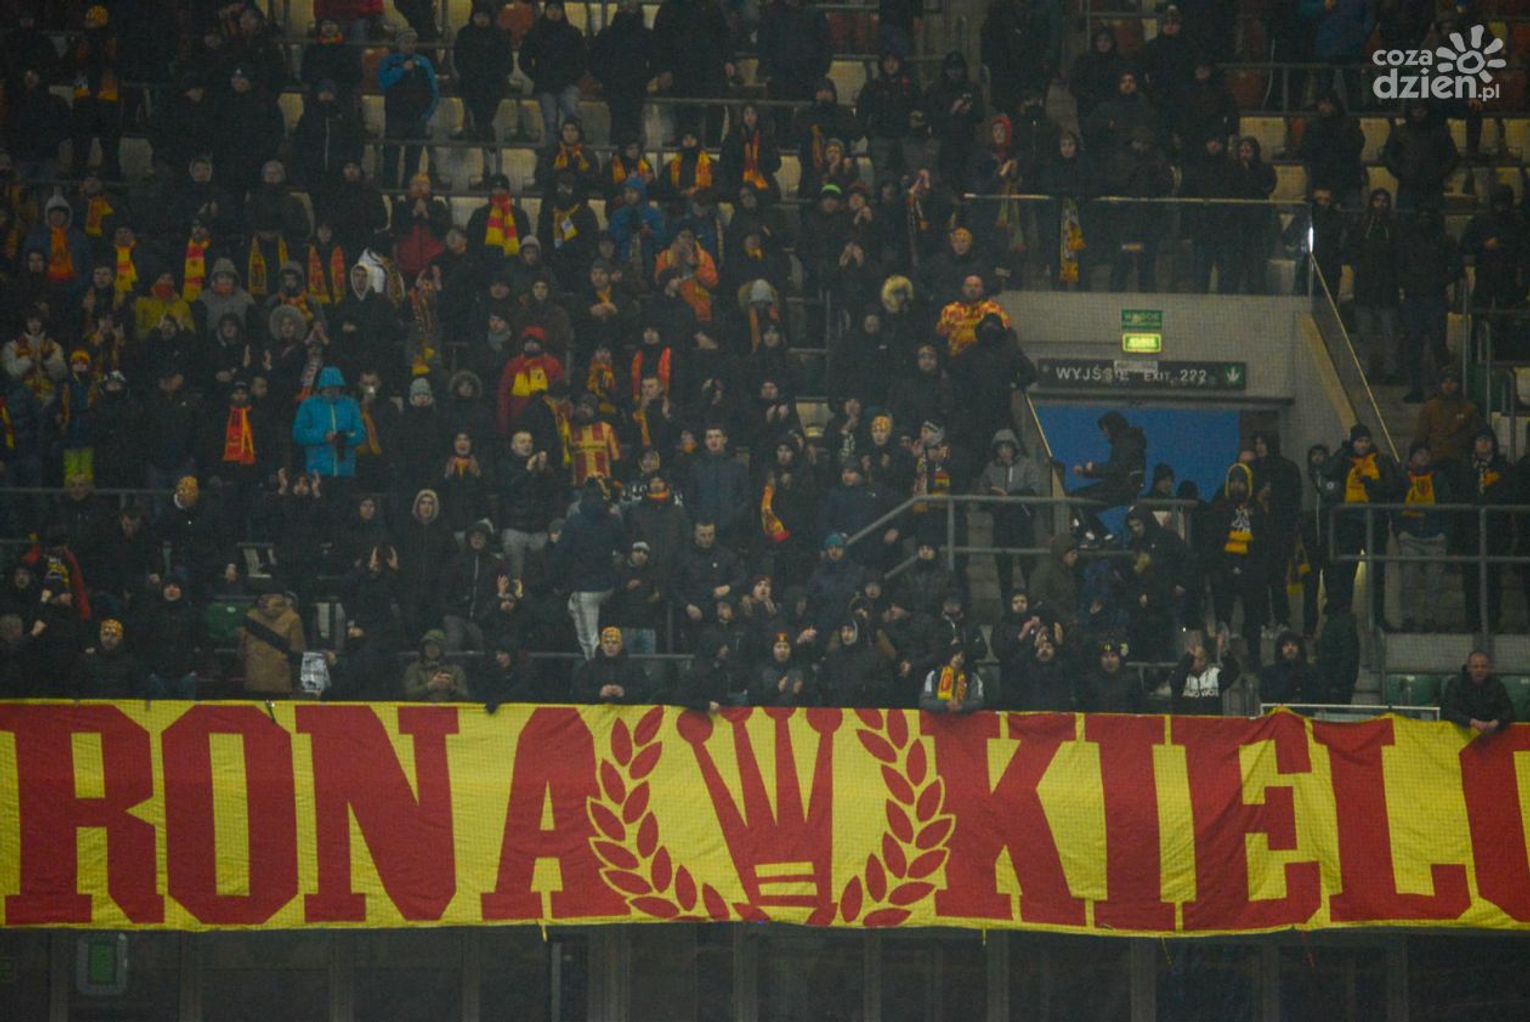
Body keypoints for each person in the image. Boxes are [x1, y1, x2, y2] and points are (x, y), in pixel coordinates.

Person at [1323, 423, 1400, 630]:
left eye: (1366, 441)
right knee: (1346, 571)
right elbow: (1328, 471)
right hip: (1350, 522)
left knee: (1377, 573)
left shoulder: (1380, 460)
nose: (1363, 445)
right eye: (1359, 441)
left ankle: (1377, 617)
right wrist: (1343, 451)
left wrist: (1370, 483)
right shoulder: (1344, 460)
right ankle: (1343, 616)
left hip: (1375, 522)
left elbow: (1391, 486)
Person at [1452, 428, 1510, 635]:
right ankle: (1473, 621)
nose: (1484, 444)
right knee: (1471, 579)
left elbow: (1507, 496)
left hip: (1495, 532)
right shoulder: (1465, 468)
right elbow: (1459, 499)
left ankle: (1493, 621)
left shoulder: (1503, 468)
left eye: (1487, 440)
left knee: (1492, 579)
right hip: (1470, 533)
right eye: (1480, 440)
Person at [1395, 441, 1451, 633]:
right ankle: (1408, 617)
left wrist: (1445, 532)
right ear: (1411, 457)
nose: (1424, 456)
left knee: (1434, 581)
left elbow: (1447, 505)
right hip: (1410, 534)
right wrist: (1400, 530)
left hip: (1435, 535)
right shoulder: (1403, 479)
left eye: (1427, 453)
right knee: (1408, 578)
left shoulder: (1438, 478)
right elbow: (1396, 505)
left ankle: (1430, 617)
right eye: (1419, 453)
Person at [519, 0, 588, 145]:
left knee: (572, 119)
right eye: (550, 8)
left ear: (563, 11)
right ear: (545, 11)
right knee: (550, 123)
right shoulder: (535, 33)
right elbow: (524, 60)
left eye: (557, 8)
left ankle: (575, 153)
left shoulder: (573, 33)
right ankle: (552, 155)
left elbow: (582, 59)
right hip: (545, 86)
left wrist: (572, 77)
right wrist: (538, 77)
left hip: (568, 84)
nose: (554, 12)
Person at [377, 30, 441, 188]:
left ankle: (409, 193)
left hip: (417, 118)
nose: (410, 45)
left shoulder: (423, 63)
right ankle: (390, 191)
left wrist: (426, 114)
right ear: (398, 44)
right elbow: (383, 83)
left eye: (413, 42)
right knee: (391, 157)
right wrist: (401, 70)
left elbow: (433, 91)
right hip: (395, 117)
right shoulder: (389, 62)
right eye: (406, 42)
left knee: (413, 159)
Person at [1070, 411, 1146, 542]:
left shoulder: (1126, 444)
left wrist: (1092, 469)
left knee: (1078, 500)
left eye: (1105, 429)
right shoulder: (1128, 442)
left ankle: (1093, 536)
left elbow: (1117, 469)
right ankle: (1104, 536)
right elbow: (1116, 468)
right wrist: (1087, 471)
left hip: (1120, 489)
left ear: (1113, 427)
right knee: (1079, 500)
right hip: (1121, 487)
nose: (1104, 433)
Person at [293, 366, 364, 485]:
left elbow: (360, 434)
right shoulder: (308, 405)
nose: (332, 393)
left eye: (336, 390)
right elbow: (298, 434)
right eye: (329, 390)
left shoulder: (351, 405)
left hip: (345, 470)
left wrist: (344, 437)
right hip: (317, 471)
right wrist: (323, 436)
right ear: (321, 388)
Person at [1413, 367, 1484, 471]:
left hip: (1460, 461)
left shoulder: (1469, 409)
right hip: (1434, 460)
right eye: (1444, 381)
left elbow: (1475, 434)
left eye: (1452, 382)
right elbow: (1421, 436)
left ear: (1459, 384)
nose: (1448, 385)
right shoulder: (1430, 408)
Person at [239, 591, 305, 698]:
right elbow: (297, 652)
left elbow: (241, 650)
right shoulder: (293, 618)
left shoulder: (250, 616)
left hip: (254, 680)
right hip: (282, 682)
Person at [1441, 651, 1514, 735]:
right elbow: (1448, 711)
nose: (1480, 670)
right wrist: (1472, 722)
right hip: (1461, 734)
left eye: (1483, 667)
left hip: (1492, 734)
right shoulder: (1455, 684)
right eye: (1475, 667)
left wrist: (1497, 722)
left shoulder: (1496, 685)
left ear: (1489, 668)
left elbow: (1509, 711)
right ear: (1468, 668)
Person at [574, 626, 650, 703]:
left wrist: (624, 692)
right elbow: (577, 692)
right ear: (602, 646)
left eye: (614, 642)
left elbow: (645, 691)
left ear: (620, 646)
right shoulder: (589, 667)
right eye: (606, 642)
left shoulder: (633, 667)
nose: (610, 646)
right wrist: (598, 693)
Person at [1171, 640, 1238, 716]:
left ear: (1203, 661)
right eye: (1189, 657)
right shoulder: (1182, 675)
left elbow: (1233, 671)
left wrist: (1225, 653)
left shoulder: (1214, 676)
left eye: (1193, 658)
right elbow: (1174, 682)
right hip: (1186, 723)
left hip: (1211, 723)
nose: (1189, 660)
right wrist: (1188, 657)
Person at [403, 629, 472, 702]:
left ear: (442, 648)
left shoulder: (455, 670)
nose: (431, 648)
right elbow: (408, 695)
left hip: (448, 708)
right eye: (428, 645)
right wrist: (430, 686)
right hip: (422, 708)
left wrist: (451, 688)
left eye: (435, 645)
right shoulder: (414, 669)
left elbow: (466, 698)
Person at [919, 644, 984, 713]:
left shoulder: (973, 677)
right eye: (955, 654)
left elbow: (979, 701)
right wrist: (945, 705)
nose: (958, 658)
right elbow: (925, 701)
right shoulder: (935, 675)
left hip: (964, 717)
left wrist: (962, 706)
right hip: (940, 717)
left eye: (962, 656)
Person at [1258, 631, 1314, 706]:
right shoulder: (1269, 673)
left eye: (1294, 645)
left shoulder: (1311, 671)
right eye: (1286, 645)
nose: (1290, 648)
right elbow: (1266, 698)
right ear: (1280, 648)